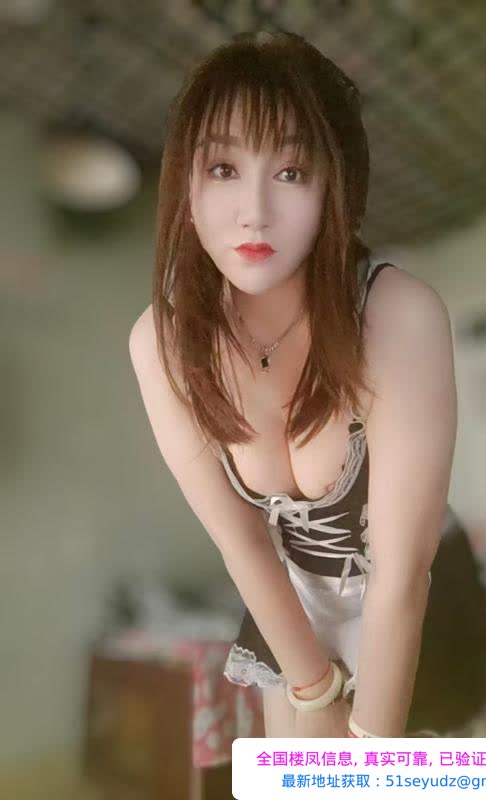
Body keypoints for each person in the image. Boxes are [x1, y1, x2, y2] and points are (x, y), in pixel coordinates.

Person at [128, 30, 457, 738]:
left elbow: (404, 570)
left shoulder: (395, 314)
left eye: (291, 172)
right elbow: (242, 540)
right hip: (290, 609)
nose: (254, 211)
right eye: (223, 168)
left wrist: (367, 755)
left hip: (415, 609)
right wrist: (314, 689)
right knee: (297, 776)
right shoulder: (162, 342)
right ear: (186, 188)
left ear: (334, 189)